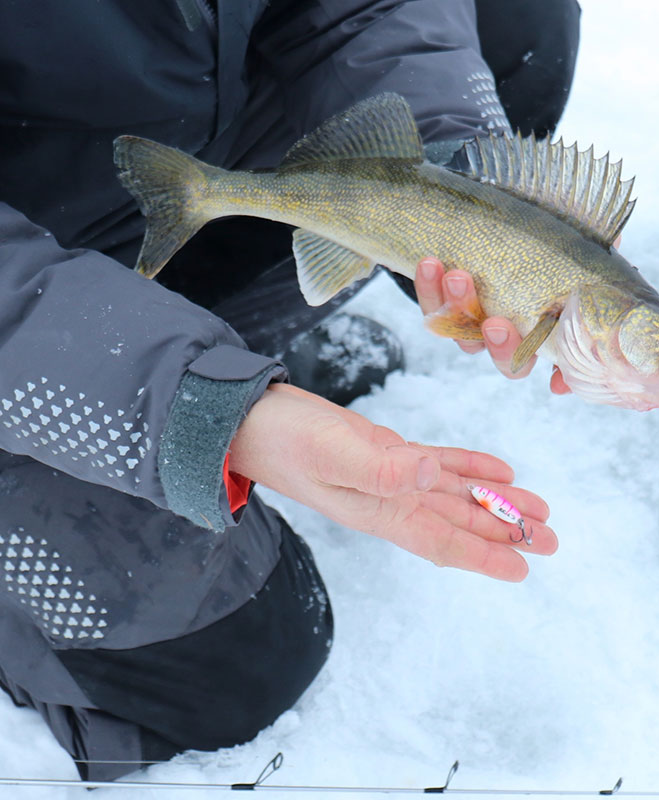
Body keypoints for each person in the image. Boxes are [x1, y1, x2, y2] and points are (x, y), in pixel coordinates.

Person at [0, 0, 579, 781]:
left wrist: (459, 201)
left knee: (517, 22)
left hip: (134, 177)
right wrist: (204, 412)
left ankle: (205, 329)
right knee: (235, 670)